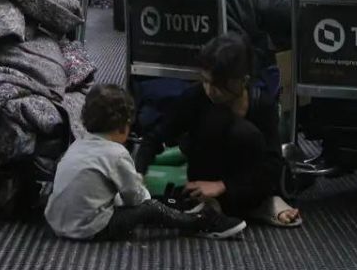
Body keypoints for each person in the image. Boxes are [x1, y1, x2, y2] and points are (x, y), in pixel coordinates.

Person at [134, 34, 302, 228]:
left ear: (243, 80)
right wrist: (138, 173)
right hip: (203, 182)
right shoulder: (196, 97)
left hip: (244, 185)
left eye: (219, 85)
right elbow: (156, 135)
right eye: (206, 81)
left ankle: (258, 204)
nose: (210, 90)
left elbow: (272, 166)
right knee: (212, 121)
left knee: (245, 134)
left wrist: (224, 186)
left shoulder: (262, 105)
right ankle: (216, 209)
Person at [45, 84, 246, 241]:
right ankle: (199, 222)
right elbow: (136, 199)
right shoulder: (116, 153)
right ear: (124, 127)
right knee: (150, 209)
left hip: (57, 223)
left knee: (120, 198)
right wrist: (146, 192)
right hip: (90, 229)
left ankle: (180, 207)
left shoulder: (77, 144)